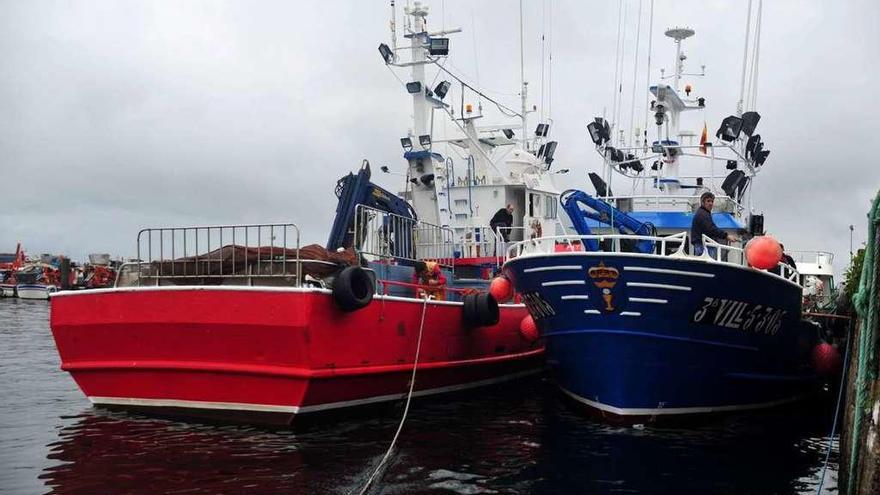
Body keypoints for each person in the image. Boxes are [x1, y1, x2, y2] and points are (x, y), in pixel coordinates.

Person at [691, 192, 737, 257]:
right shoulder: (703, 214)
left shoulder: (703, 213)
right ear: (702, 203)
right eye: (708, 201)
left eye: (712, 201)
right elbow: (711, 229)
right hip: (704, 247)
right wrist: (726, 236)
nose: (711, 203)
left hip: (704, 245)